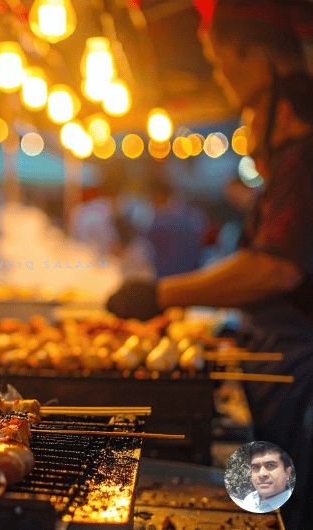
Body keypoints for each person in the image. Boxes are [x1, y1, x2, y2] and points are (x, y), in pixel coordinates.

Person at [106, 2, 313, 528]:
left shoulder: (305, 158)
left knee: (293, 510)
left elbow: (275, 270)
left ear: (256, 57)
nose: (220, 79)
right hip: (278, 370)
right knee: (275, 506)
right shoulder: (289, 160)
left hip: (302, 384)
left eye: (221, 63)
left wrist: (161, 295)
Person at [234, 441, 294, 513]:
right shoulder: (250, 499)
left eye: (270, 465)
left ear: (287, 473)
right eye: (256, 467)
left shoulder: (295, 509)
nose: (261, 474)